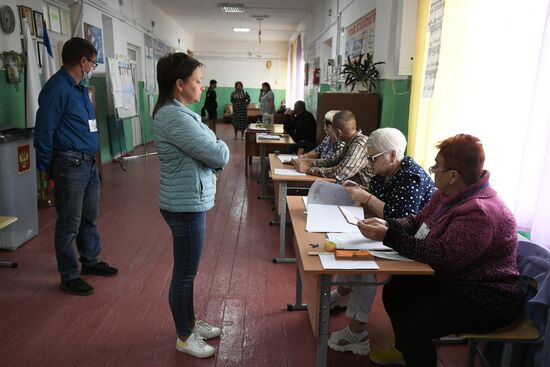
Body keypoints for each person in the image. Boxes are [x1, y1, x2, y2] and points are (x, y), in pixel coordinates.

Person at [359, 134, 526, 367]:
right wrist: (389, 225)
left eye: (437, 166)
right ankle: (407, 350)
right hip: (458, 281)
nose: (433, 170)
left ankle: (413, 349)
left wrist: (388, 236)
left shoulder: (479, 212)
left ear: (454, 175)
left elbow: (441, 257)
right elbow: (418, 221)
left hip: (486, 297)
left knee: (413, 322)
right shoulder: (445, 194)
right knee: (395, 290)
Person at [327, 128, 435, 355]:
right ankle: (345, 294)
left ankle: (357, 332)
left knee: (364, 260)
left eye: (372, 157)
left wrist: (365, 197)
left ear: (393, 155)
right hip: (395, 233)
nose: (368, 162)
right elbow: (382, 201)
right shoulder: (385, 171)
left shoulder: (410, 176)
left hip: (414, 242)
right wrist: (361, 190)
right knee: (351, 244)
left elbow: (398, 219)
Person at [152, 53, 230, 358]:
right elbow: (218, 154)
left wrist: (212, 145)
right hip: (184, 205)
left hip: (185, 199)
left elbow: (210, 148)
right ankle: (184, 336)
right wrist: (217, 145)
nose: (201, 86)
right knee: (185, 272)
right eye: (197, 81)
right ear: (179, 84)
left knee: (188, 271)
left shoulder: (178, 112)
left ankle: (190, 322)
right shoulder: (174, 116)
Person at [33, 37, 118, 296]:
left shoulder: (80, 88)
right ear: (82, 61)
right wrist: (46, 168)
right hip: (69, 165)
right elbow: (44, 132)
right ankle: (69, 275)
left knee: (88, 218)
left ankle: (89, 262)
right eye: (92, 62)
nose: (92, 67)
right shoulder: (57, 88)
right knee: (69, 224)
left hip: (89, 165)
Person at [294, 110, 373, 188]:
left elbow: (340, 173)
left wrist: (308, 169)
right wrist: (310, 163)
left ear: (338, 131)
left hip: (365, 193)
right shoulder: (351, 142)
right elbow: (335, 161)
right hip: (355, 190)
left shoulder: (359, 145)